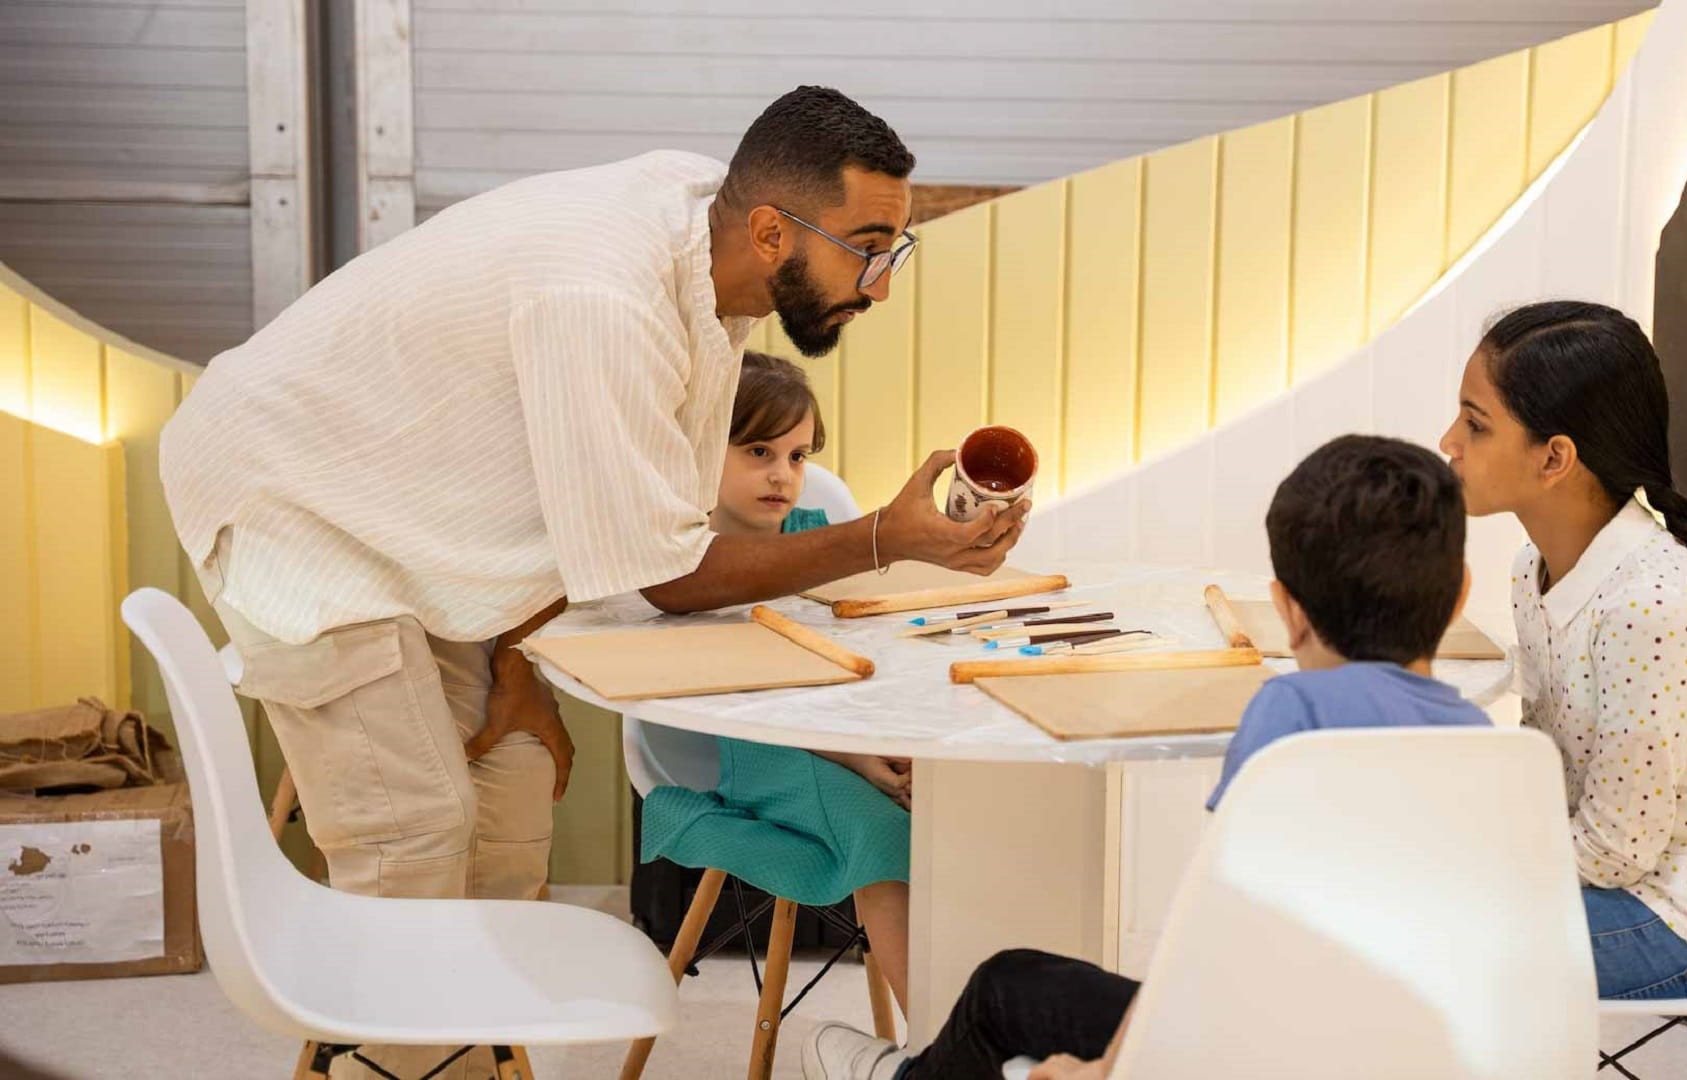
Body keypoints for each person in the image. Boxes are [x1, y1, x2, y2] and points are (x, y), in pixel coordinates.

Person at [159, 87, 1026, 1079]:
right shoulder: (605, 301)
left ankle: (464, 1057)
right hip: (291, 505)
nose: (881, 286)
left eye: (893, 250)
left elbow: (568, 497)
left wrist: (516, 662)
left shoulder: (704, 236)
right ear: (772, 232)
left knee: (514, 792)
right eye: (868, 250)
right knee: (414, 834)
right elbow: (667, 573)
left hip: (412, 514)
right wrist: (883, 537)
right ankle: (394, 1059)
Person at [804, 434, 1489, 1080]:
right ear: (1459, 593)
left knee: (1002, 988)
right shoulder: (1486, 742)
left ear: (1286, 609)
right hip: (1414, 1055)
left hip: (1258, 1052)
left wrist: (1106, 1069)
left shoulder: (1293, 715)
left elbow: (1214, 926)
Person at [1438, 300, 1687, 999]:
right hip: (1646, 886)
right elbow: (1558, 774)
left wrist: (1487, 858)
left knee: (1417, 928)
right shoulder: (1534, 572)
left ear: (1555, 458)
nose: (1448, 442)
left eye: (1475, 424)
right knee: (1414, 893)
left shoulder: (1648, 609)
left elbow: (1616, 851)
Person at [640, 351, 912, 1007]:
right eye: (759, 451)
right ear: (703, 446)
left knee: (964, 812)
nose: (782, 475)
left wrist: (883, 742)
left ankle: (976, 1015)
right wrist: (856, 757)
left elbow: (861, 651)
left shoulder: (818, 538)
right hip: (757, 748)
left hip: (842, 726)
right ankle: (936, 1037)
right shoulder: (682, 564)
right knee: (883, 833)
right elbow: (742, 697)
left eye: (797, 456)